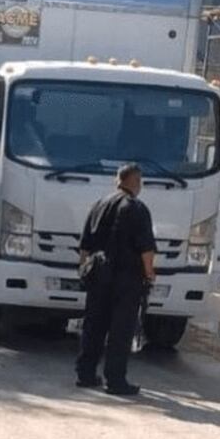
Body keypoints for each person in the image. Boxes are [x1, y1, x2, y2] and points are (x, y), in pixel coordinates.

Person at [74, 163, 156, 396]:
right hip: (126, 277)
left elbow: (85, 245)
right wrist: (149, 273)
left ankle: (85, 374)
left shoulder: (99, 205)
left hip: (98, 274)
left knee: (94, 325)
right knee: (121, 330)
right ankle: (115, 380)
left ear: (117, 180)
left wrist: (84, 269)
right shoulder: (137, 208)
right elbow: (146, 248)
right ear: (135, 181)